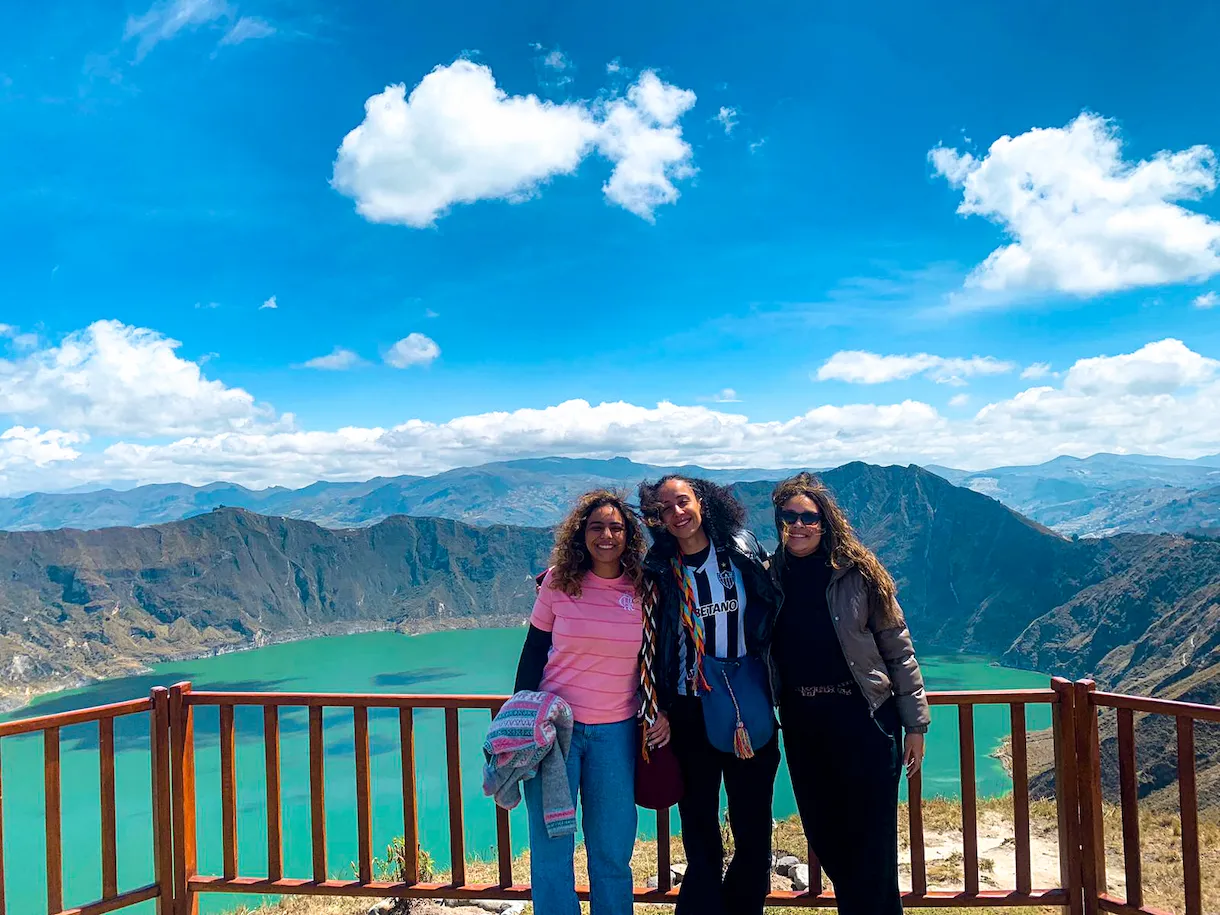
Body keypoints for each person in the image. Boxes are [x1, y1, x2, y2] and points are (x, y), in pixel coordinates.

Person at [768, 472, 931, 915]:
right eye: (788, 516)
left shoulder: (858, 573)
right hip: (804, 723)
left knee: (872, 844)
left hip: (865, 719)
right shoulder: (770, 577)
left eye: (808, 517)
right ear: (778, 520)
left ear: (825, 522)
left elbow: (899, 649)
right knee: (826, 836)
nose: (797, 525)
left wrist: (915, 723)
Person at [637, 475, 779, 915]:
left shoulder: (741, 550)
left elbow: (776, 603)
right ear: (657, 518)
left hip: (745, 705)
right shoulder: (659, 566)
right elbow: (643, 636)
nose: (676, 513)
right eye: (665, 509)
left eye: (683, 502)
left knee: (752, 824)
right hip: (688, 712)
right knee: (699, 828)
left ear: (702, 502)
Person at [512, 490, 653, 915]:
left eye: (616, 527)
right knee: (552, 847)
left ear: (629, 535)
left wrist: (658, 711)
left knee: (612, 849)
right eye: (596, 527)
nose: (606, 535)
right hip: (555, 734)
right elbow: (534, 651)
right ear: (581, 534)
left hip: (617, 733)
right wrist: (518, 719)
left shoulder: (644, 587)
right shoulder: (558, 582)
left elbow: (657, 660)